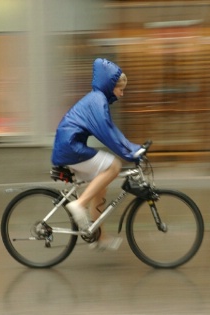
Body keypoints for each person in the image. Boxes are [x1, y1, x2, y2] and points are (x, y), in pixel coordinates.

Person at [51, 58, 141, 250]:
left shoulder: (98, 99)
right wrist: (130, 153)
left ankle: (99, 237)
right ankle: (79, 204)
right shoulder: (97, 101)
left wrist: (132, 148)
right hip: (70, 147)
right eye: (120, 89)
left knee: (101, 187)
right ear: (111, 85)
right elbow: (107, 133)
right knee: (114, 166)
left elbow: (112, 131)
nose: (122, 94)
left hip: (70, 145)